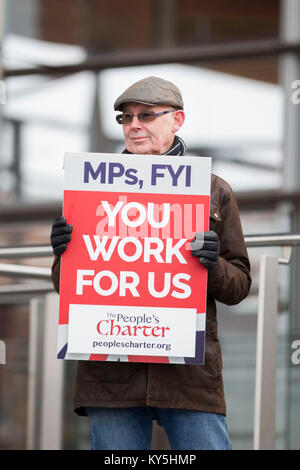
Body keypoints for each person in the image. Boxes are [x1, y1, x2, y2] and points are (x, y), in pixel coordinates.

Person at [50, 76, 251, 450]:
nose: (134, 125)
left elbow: (239, 285)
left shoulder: (213, 190)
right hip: (110, 374)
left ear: (177, 121)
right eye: (126, 118)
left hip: (189, 375)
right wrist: (64, 253)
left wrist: (213, 265)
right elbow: (68, 286)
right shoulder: (91, 190)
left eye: (145, 115)